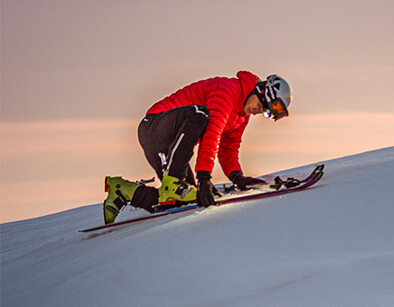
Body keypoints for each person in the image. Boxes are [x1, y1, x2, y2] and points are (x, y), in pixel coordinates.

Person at [101, 71, 292, 224]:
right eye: (259, 104)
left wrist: (237, 177)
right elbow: (212, 134)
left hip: (171, 145)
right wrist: (203, 178)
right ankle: (173, 181)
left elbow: (228, 148)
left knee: (181, 200)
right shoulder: (229, 90)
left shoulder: (241, 117)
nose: (257, 111)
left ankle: (124, 191)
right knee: (202, 114)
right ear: (258, 91)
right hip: (154, 126)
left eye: (262, 111)